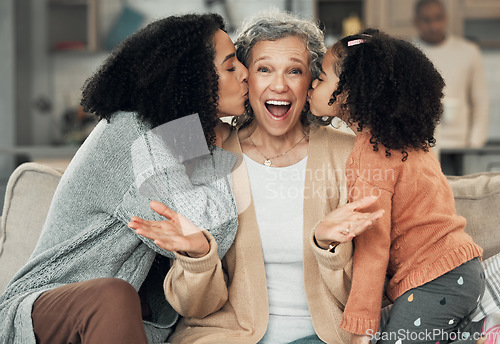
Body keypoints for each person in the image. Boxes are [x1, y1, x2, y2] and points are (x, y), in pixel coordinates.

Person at [130, 11, 384, 344]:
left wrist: (329, 248)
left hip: (323, 336)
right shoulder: (208, 152)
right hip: (223, 337)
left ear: (312, 83)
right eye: (264, 69)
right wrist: (197, 257)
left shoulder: (351, 155)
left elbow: (371, 288)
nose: (279, 85)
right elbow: (194, 306)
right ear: (247, 79)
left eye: (295, 70)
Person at [0, 13, 249, 344]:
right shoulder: (133, 133)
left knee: (119, 299)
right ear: (191, 79)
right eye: (231, 67)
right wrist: (218, 143)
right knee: (113, 295)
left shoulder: (178, 134)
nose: (245, 73)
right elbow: (209, 229)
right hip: (45, 312)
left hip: (119, 321)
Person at [308, 29, 500, 344]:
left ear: (352, 93)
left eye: (321, 76)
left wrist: (361, 326)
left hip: (436, 279)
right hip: (458, 272)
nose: (313, 82)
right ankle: (478, 335)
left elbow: (372, 247)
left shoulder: (370, 156)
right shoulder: (405, 142)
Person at [413, 0, 489, 150]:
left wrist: (475, 143)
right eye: (426, 20)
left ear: (446, 18)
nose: (433, 26)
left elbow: (481, 101)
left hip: (461, 145)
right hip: (419, 145)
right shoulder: (408, 53)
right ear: (415, 21)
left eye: (438, 18)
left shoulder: (468, 52)